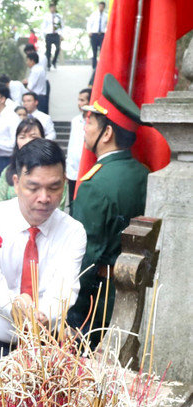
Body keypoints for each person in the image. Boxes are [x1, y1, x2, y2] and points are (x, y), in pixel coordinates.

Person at [0, 139, 86, 370]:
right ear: (16, 183)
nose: (44, 197)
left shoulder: (73, 231)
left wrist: (43, 315)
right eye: (33, 187)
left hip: (44, 346)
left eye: (54, 187)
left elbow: (65, 287)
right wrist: (13, 304)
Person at [67, 74, 150, 343]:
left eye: (89, 121)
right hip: (138, 293)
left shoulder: (95, 184)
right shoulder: (145, 173)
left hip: (99, 303)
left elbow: (87, 256)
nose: (85, 128)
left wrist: (73, 313)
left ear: (107, 132)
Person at [0, 117, 67, 209]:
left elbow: (58, 209)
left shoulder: (54, 172)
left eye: (33, 137)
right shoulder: (8, 171)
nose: (27, 141)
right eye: (22, 137)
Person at [66, 88, 91, 203]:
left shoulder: (95, 122)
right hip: (73, 171)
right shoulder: (75, 121)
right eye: (78, 100)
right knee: (72, 201)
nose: (79, 103)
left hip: (88, 170)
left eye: (82, 100)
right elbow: (72, 145)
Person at [42, 3, 63, 70]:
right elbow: (43, 26)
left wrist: (61, 35)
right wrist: (43, 35)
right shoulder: (46, 16)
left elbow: (61, 26)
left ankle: (54, 61)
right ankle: (48, 64)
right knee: (48, 50)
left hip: (56, 34)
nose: (53, 9)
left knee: (58, 48)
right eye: (51, 8)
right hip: (49, 34)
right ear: (49, 8)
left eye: (54, 8)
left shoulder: (58, 16)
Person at [87, 2, 108, 69]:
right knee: (94, 51)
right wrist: (89, 32)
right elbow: (89, 23)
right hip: (94, 34)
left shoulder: (106, 16)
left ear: (104, 7)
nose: (101, 8)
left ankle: (101, 65)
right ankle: (94, 66)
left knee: (102, 50)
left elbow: (107, 25)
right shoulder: (94, 15)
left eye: (102, 7)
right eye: (100, 6)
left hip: (102, 34)